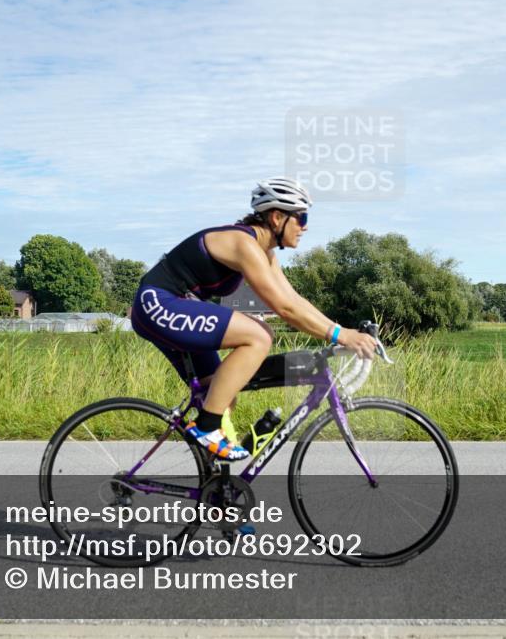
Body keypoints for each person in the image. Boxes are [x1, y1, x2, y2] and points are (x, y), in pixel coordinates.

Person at [130, 177, 376, 460]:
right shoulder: (243, 244)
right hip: (158, 303)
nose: (305, 226)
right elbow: (284, 309)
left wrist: (341, 329)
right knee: (259, 335)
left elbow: (295, 300)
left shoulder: (266, 254)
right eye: (301, 217)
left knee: (221, 391)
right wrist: (341, 335)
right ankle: (206, 427)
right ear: (277, 217)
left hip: (177, 307)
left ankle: (217, 489)